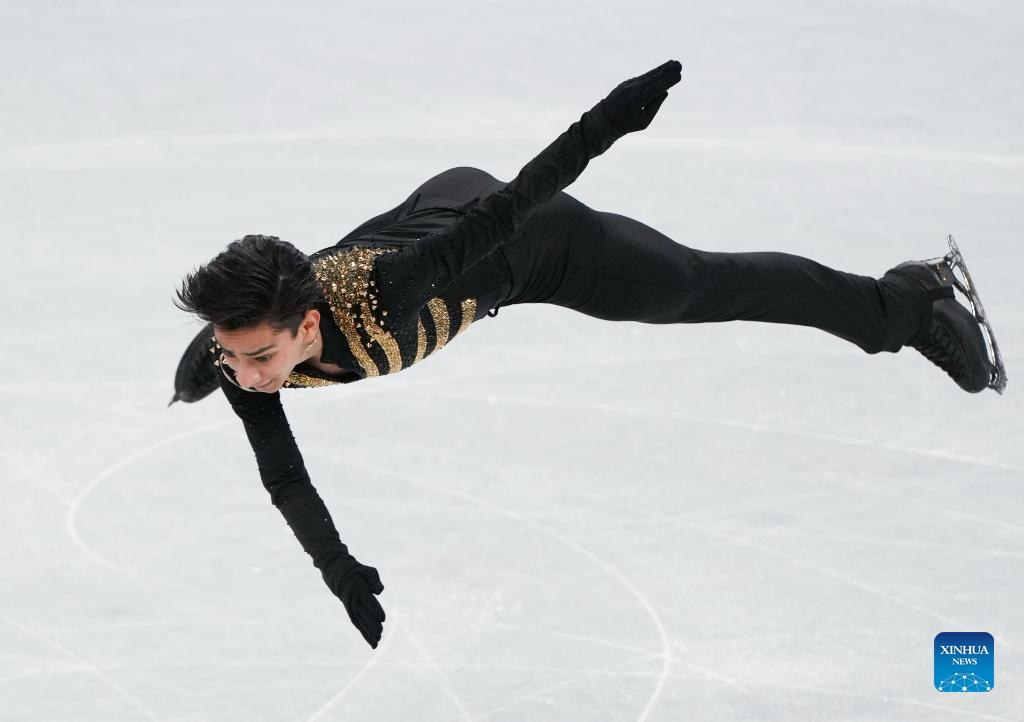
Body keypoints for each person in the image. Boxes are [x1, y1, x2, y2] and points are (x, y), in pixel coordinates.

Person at [170, 60, 1006, 649]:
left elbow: (510, 208)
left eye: (258, 356)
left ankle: (905, 301)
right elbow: (283, 474)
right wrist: (337, 567)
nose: (248, 377)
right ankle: (897, 301)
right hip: (439, 215)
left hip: (526, 242)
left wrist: (605, 123)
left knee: (693, 285)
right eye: (231, 359)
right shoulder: (238, 356)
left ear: (309, 325)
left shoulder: (388, 291)